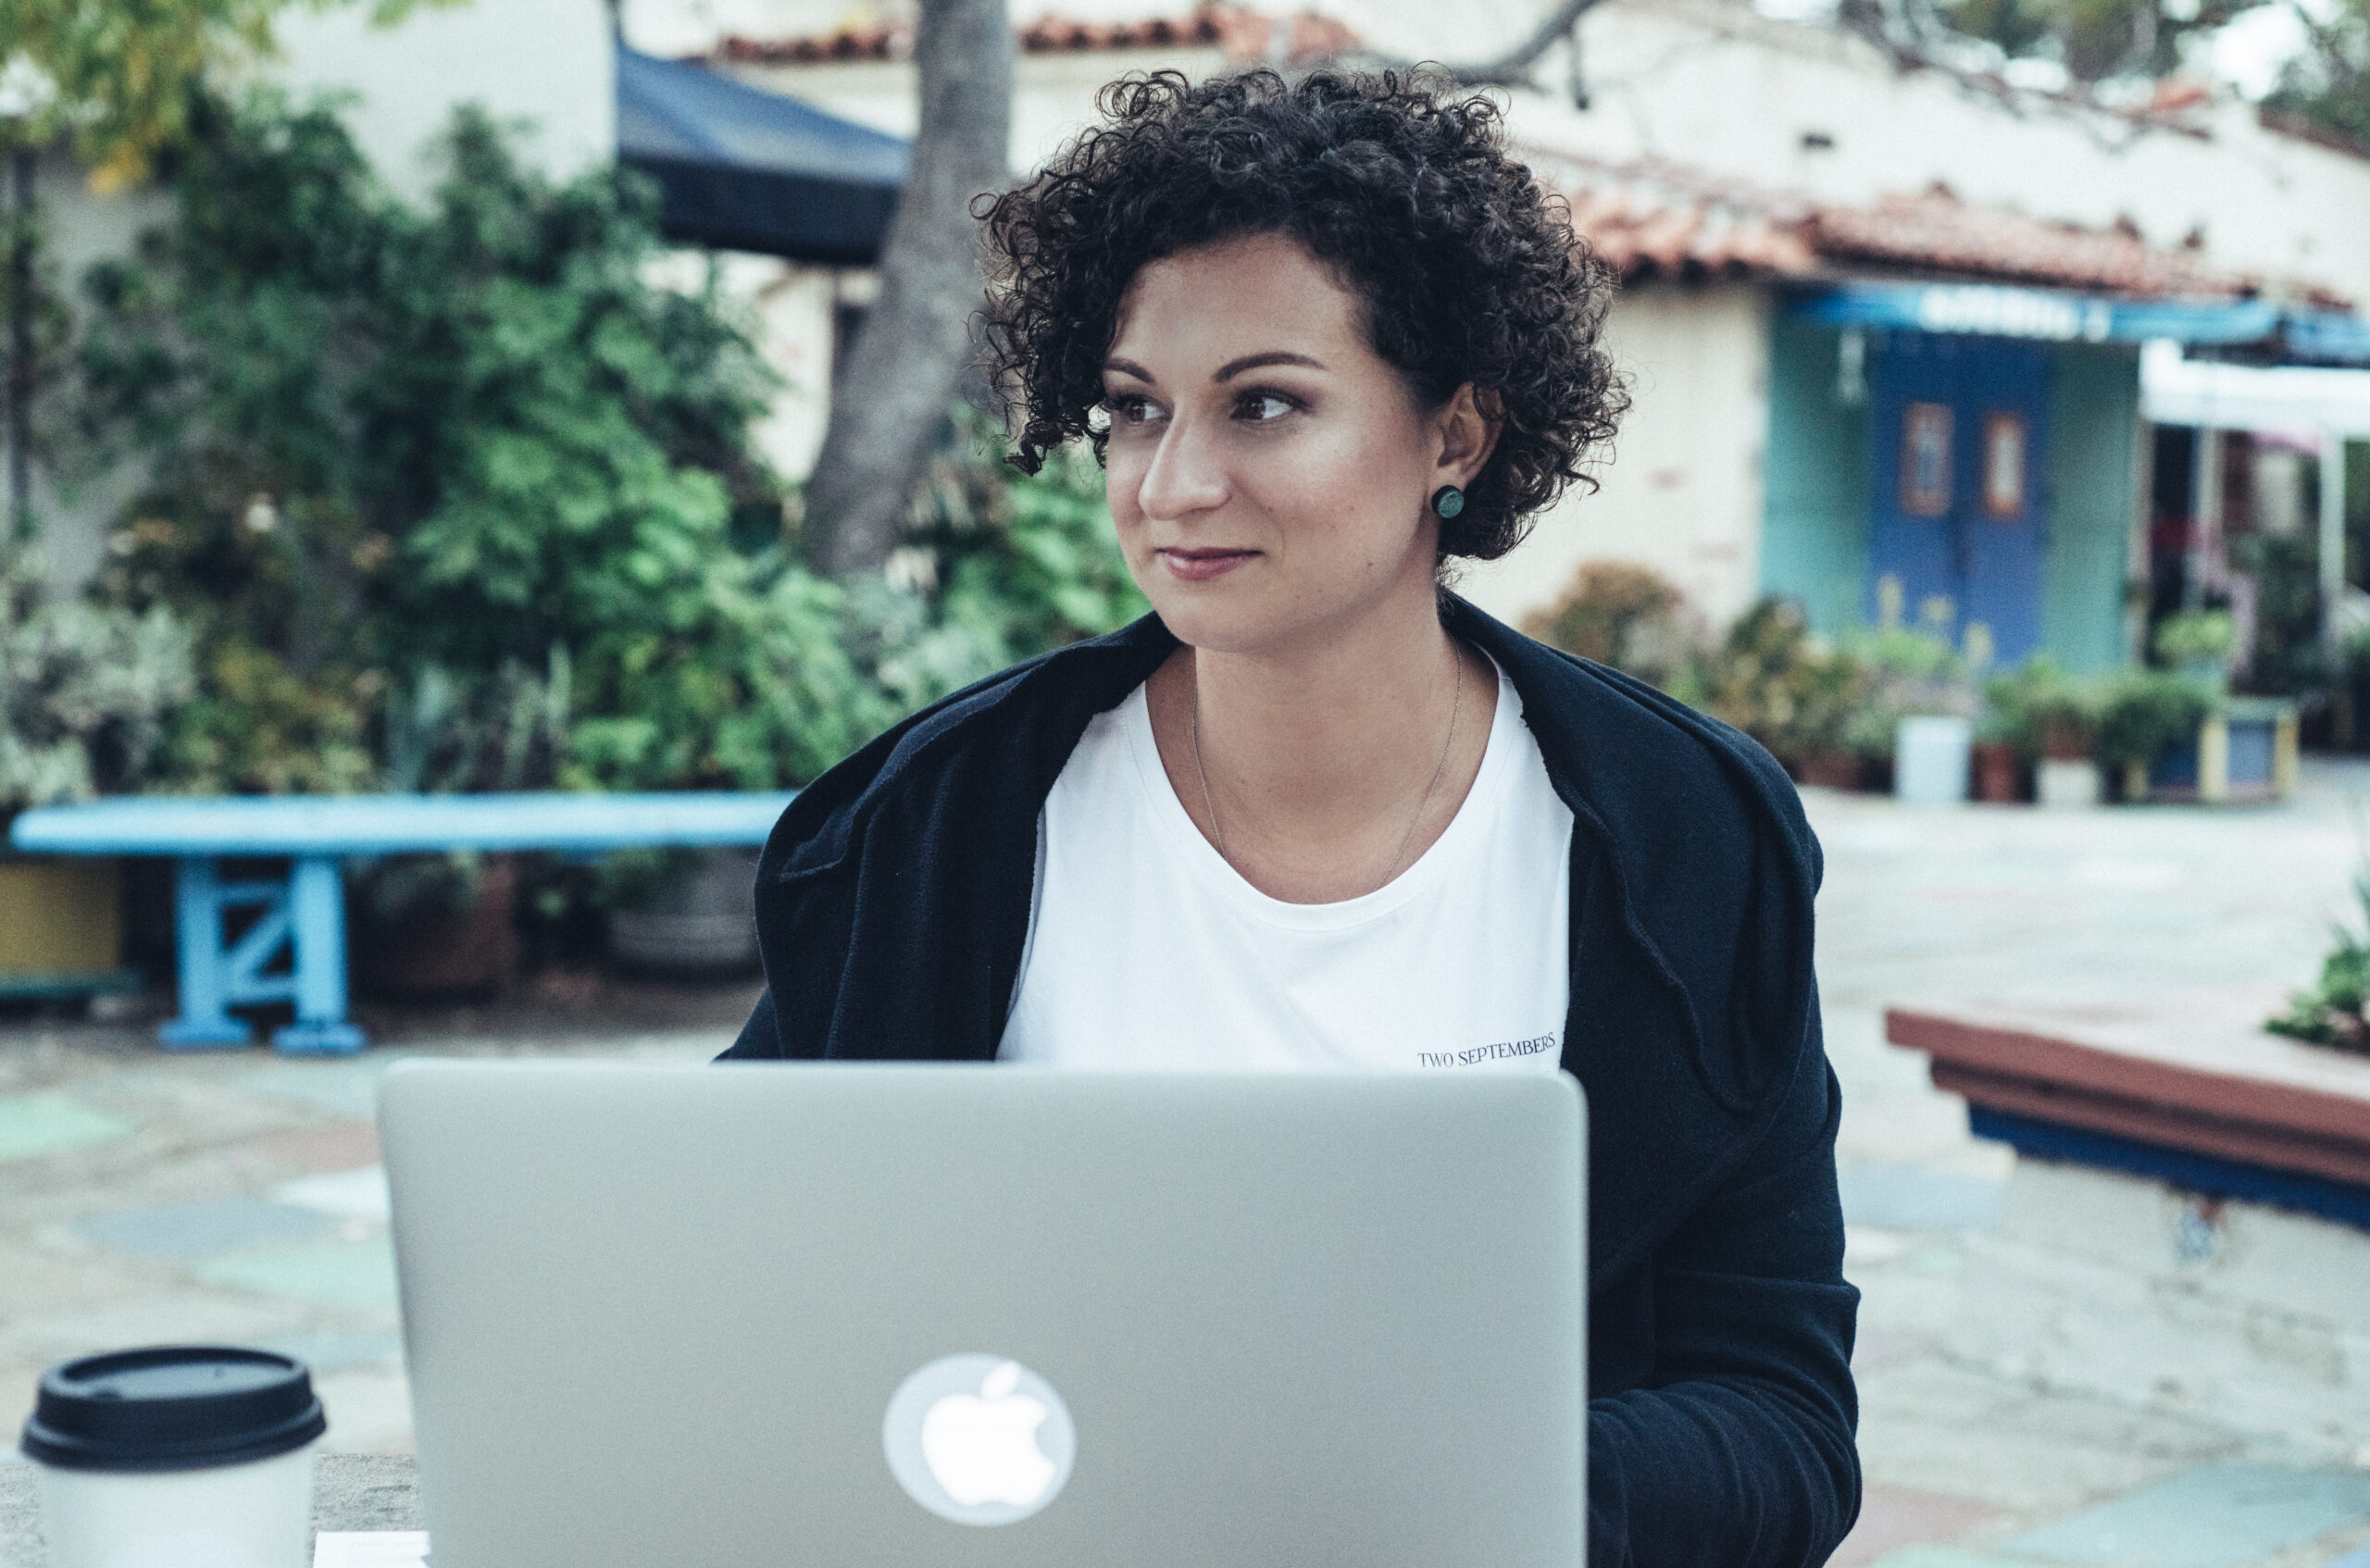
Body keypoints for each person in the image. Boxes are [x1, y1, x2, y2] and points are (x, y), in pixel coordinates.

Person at [724, 68, 1859, 1568]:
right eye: (1136, 411)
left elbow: (1781, 1421)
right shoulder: (935, 828)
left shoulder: (1683, 840)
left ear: (1455, 434)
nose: (1176, 483)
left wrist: (1429, 1485)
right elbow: (733, 1297)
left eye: (1266, 402)